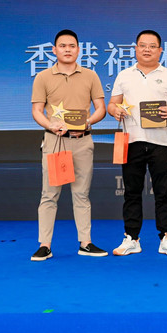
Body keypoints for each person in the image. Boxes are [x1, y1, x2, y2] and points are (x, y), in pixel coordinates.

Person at [30, 29, 108, 261]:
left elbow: (101, 109)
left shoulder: (90, 76)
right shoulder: (43, 77)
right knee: (49, 195)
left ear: (78, 50)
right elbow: (37, 110)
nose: (67, 50)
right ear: (54, 50)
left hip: (82, 142)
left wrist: (87, 123)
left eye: (72, 46)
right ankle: (45, 245)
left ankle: (85, 243)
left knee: (82, 194)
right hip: (55, 142)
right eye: (62, 46)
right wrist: (51, 125)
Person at [108, 29, 167, 256]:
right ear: (136, 49)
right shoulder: (124, 75)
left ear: (160, 50)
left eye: (152, 46)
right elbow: (112, 104)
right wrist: (115, 110)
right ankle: (131, 238)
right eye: (143, 45)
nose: (147, 50)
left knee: (163, 192)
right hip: (132, 141)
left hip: (161, 143)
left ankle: (166, 237)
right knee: (132, 192)